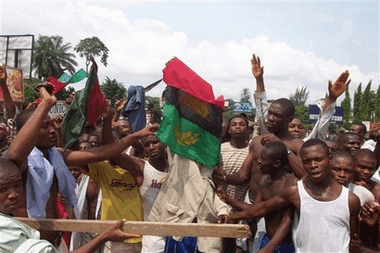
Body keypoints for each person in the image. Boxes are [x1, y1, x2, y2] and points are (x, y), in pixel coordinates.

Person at [229, 139, 360, 253]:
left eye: (318, 159)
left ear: (330, 159)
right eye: (307, 161)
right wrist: (231, 217)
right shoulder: (296, 192)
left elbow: (353, 239)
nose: (313, 165)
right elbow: (262, 208)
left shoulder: (350, 200)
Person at [0, 158, 140, 253]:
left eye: (17, 185)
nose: (14, 194)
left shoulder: (9, 220)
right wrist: (104, 237)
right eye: (3, 189)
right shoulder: (5, 230)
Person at [219, 141, 297, 253]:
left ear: (276, 163)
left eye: (263, 159)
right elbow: (256, 210)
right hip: (268, 239)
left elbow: (286, 221)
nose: (259, 161)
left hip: (287, 244)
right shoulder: (264, 181)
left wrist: (268, 249)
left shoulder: (291, 184)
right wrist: (228, 200)